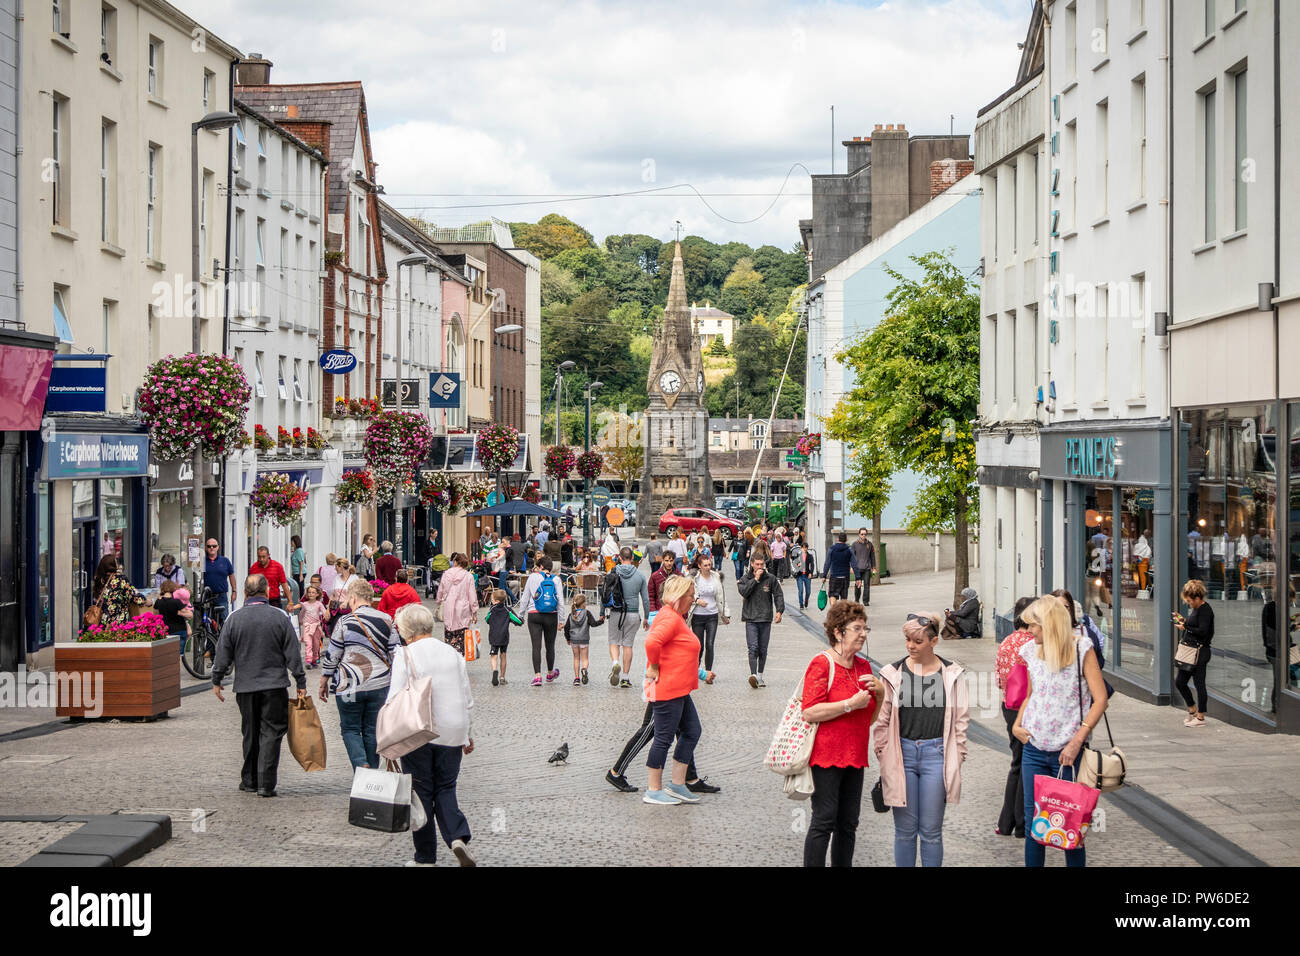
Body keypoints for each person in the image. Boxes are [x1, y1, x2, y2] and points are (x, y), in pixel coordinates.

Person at [1012, 596, 1109, 868]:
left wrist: (1078, 741)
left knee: (1071, 824)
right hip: (1033, 747)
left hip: (1068, 752)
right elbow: (1032, 694)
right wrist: (1017, 725)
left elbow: (1100, 699)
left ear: (1050, 624)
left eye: (1034, 625)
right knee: (1034, 824)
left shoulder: (1082, 649)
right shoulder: (1031, 651)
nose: (1029, 631)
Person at [874, 611, 969, 867]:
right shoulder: (893, 672)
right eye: (907, 640)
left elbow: (961, 720)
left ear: (933, 641)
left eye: (917, 641)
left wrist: (957, 755)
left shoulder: (952, 673)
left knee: (931, 833)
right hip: (901, 754)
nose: (910, 646)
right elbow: (882, 720)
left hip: (936, 755)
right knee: (904, 832)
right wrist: (883, 752)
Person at [390, 603, 476, 867]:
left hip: (418, 731)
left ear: (406, 631)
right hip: (452, 729)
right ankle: (457, 836)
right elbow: (466, 697)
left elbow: (394, 698)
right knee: (446, 787)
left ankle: (425, 857)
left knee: (422, 792)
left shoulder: (404, 655)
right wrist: (468, 733)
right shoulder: (452, 653)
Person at [799, 600, 883, 866]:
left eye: (865, 628)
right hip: (826, 756)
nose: (863, 633)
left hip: (855, 755)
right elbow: (810, 711)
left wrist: (879, 696)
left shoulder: (864, 668)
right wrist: (849, 704)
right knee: (824, 820)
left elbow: (868, 719)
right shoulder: (822, 663)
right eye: (857, 628)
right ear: (838, 632)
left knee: (848, 824)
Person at [211, 574, 307, 797]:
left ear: (245, 593)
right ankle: (265, 783)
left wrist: (216, 679)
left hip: (245, 687)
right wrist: (300, 680)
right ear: (267, 592)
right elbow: (293, 652)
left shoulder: (234, 619)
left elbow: (222, 653)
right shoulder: (280, 617)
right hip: (274, 686)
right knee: (271, 732)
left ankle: (250, 780)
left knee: (250, 732)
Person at [319, 577, 400, 771]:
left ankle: (360, 764)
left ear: (353, 598)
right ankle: (370, 771)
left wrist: (324, 680)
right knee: (372, 730)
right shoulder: (387, 620)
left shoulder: (344, 622)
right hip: (379, 685)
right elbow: (395, 653)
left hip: (349, 685)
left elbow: (334, 654)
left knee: (350, 728)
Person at [642, 576, 704, 805]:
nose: (693, 599)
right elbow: (652, 643)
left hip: (680, 689)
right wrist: (655, 665)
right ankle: (653, 789)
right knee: (663, 738)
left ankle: (677, 784)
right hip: (668, 688)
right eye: (690, 595)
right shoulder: (670, 617)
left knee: (692, 731)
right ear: (680, 597)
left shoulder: (674, 616)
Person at [994, 597, 1036, 838]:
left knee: (1016, 763)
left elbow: (999, 678)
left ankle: (1007, 821)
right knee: (1026, 764)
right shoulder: (1034, 643)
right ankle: (1021, 822)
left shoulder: (1006, 641)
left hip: (1009, 706)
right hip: (1028, 708)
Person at [518, 556, 568, 686]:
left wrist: (521, 615)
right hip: (551, 615)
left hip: (534, 614)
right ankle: (550, 673)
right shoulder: (556, 579)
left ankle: (537, 676)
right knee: (550, 646)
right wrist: (561, 619)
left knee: (536, 646)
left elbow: (525, 598)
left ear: (540, 567)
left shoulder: (532, 577)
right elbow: (560, 602)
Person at [737, 553, 784, 688]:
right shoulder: (745, 579)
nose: (760, 567)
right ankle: (753, 675)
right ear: (752, 564)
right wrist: (755, 579)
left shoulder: (771, 578)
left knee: (763, 649)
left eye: (761, 564)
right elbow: (744, 592)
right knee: (753, 648)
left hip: (765, 618)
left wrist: (779, 611)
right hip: (751, 618)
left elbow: (778, 594)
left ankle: (760, 675)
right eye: (757, 564)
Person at [607, 546, 650, 688]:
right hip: (632, 613)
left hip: (616, 612)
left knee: (614, 641)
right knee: (628, 645)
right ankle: (625, 677)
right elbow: (645, 599)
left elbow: (605, 593)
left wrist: (602, 613)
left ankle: (615, 662)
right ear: (632, 558)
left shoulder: (612, 572)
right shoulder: (640, 576)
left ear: (619, 558)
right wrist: (646, 617)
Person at [1174, 579, 1215, 728]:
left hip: (1200, 652)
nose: (1189, 603)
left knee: (1199, 684)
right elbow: (1194, 625)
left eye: (1190, 601)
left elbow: (1203, 631)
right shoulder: (1197, 609)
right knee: (1180, 682)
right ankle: (1192, 709)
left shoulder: (1205, 610)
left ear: (1198, 598)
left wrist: (1185, 627)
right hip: (1191, 652)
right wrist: (1184, 621)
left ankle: (1201, 717)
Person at [687, 550, 729, 680]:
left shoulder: (716, 577)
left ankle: (708, 672)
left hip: (712, 614)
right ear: (699, 566)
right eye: (705, 565)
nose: (708, 567)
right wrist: (697, 600)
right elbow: (688, 593)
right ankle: (696, 671)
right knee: (699, 645)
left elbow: (722, 596)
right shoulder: (694, 578)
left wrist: (726, 614)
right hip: (698, 616)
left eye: (709, 564)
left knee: (710, 643)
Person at [436, 553, 479, 657]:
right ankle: (460, 660)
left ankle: (450, 660)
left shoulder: (446, 574)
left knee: (449, 636)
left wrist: (439, 601)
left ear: (455, 562)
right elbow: (472, 595)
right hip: (463, 609)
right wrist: (474, 611)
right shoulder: (468, 576)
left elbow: (441, 590)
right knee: (462, 637)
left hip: (449, 607)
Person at [564, 593, 603, 685]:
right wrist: (601, 621)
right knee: (585, 658)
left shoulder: (571, 615)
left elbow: (566, 628)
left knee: (576, 658)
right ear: (584, 604)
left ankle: (576, 678)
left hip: (574, 640)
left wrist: (568, 638)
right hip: (584, 639)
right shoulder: (587, 613)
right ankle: (584, 669)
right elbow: (593, 624)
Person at [91, 554, 137, 626]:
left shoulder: (100, 579)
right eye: (116, 562)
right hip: (118, 622)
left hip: (103, 621)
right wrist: (146, 601)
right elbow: (133, 596)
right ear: (113, 565)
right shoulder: (120, 579)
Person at [203, 539, 238, 623]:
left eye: (214, 546)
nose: (212, 548)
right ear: (206, 548)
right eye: (209, 546)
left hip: (221, 596)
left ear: (218, 547)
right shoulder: (202, 562)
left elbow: (231, 575)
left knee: (224, 620)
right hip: (206, 597)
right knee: (207, 621)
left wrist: (234, 591)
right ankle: (210, 636)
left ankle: (223, 636)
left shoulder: (225, 561)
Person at [153, 580, 192, 654]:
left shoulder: (158, 602)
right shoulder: (177, 602)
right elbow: (189, 615)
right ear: (174, 589)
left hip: (165, 631)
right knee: (178, 656)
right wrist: (180, 613)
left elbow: (155, 615)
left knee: (167, 656)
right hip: (179, 630)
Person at [297, 584, 329, 669]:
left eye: (313, 592)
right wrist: (300, 621)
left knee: (316, 645)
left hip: (316, 628)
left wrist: (326, 616)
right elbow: (302, 613)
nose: (311, 594)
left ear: (317, 594)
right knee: (308, 644)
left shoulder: (319, 604)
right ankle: (308, 661)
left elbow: (324, 612)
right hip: (307, 627)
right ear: (307, 594)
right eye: (309, 592)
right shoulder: (305, 604)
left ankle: (314, 660)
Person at [486, 589, 514, 686]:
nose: (492, 601)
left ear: (497, 601)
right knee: (503, 655)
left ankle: (494, 670)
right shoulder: (507, 610)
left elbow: (487, 619)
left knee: (493, 656)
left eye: (492, 599)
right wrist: (521, 620)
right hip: (504, 637)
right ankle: (502, 677)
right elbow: (517, 620)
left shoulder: (492, 610)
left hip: (493, 636)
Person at [253, 546, 289, 611]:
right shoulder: (254, 568)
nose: (261, 559)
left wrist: (290, 602)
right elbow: (250, 586)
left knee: (276, 620)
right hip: (258, 600)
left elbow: (284, 584)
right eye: (259, 557)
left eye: (263, 557)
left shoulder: (277, 567)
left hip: (274, 600)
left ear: (268, 555)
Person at [823, 532, 853, 601]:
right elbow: (854, 563)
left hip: (834, 576)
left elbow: (827, 563)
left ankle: (834, 610)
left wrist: (824, 575)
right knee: (844, 597)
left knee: (832, 595)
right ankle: (843, 611)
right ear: (846, 539)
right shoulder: (849, 549)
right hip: (845, 577)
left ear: (838, 539)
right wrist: (858, 577)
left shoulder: (832, 549)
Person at [648, 551, 679, 619]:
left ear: (674, 561)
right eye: (666, 560)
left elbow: (683, 597)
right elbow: (651, 596)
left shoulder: (679, 576)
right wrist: (653, 611)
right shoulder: (655, 576)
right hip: (660, 612)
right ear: (663, 560)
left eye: (671, 561)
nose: (669, 563)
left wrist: (684, 616)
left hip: (676, 613)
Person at [850, 527, 876, 605]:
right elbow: (851, 556)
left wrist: (874, 567)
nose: (863, 535)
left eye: (865, 534)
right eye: (862, 534)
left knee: (867, 585)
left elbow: (872, 557)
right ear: (859, 534)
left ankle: (866, 601)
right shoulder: (854, 544)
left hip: (867, 568)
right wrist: (851, 567)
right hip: (857, 568)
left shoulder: (870, 544)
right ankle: (857, 600)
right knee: (858, 585)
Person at [794, 532, 816, 609]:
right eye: (803, 547)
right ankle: (801, 604)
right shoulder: (798, 555)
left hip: (807, 575)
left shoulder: (810, 556)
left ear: (807, 548)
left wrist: (811, 573)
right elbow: (794, 563)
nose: (804, 549)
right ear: (801, 548)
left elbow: (812, 565)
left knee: (808, 591)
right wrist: (797, 565)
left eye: (805, 547)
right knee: (800, 591)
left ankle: (806, 601)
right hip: (799, 575)